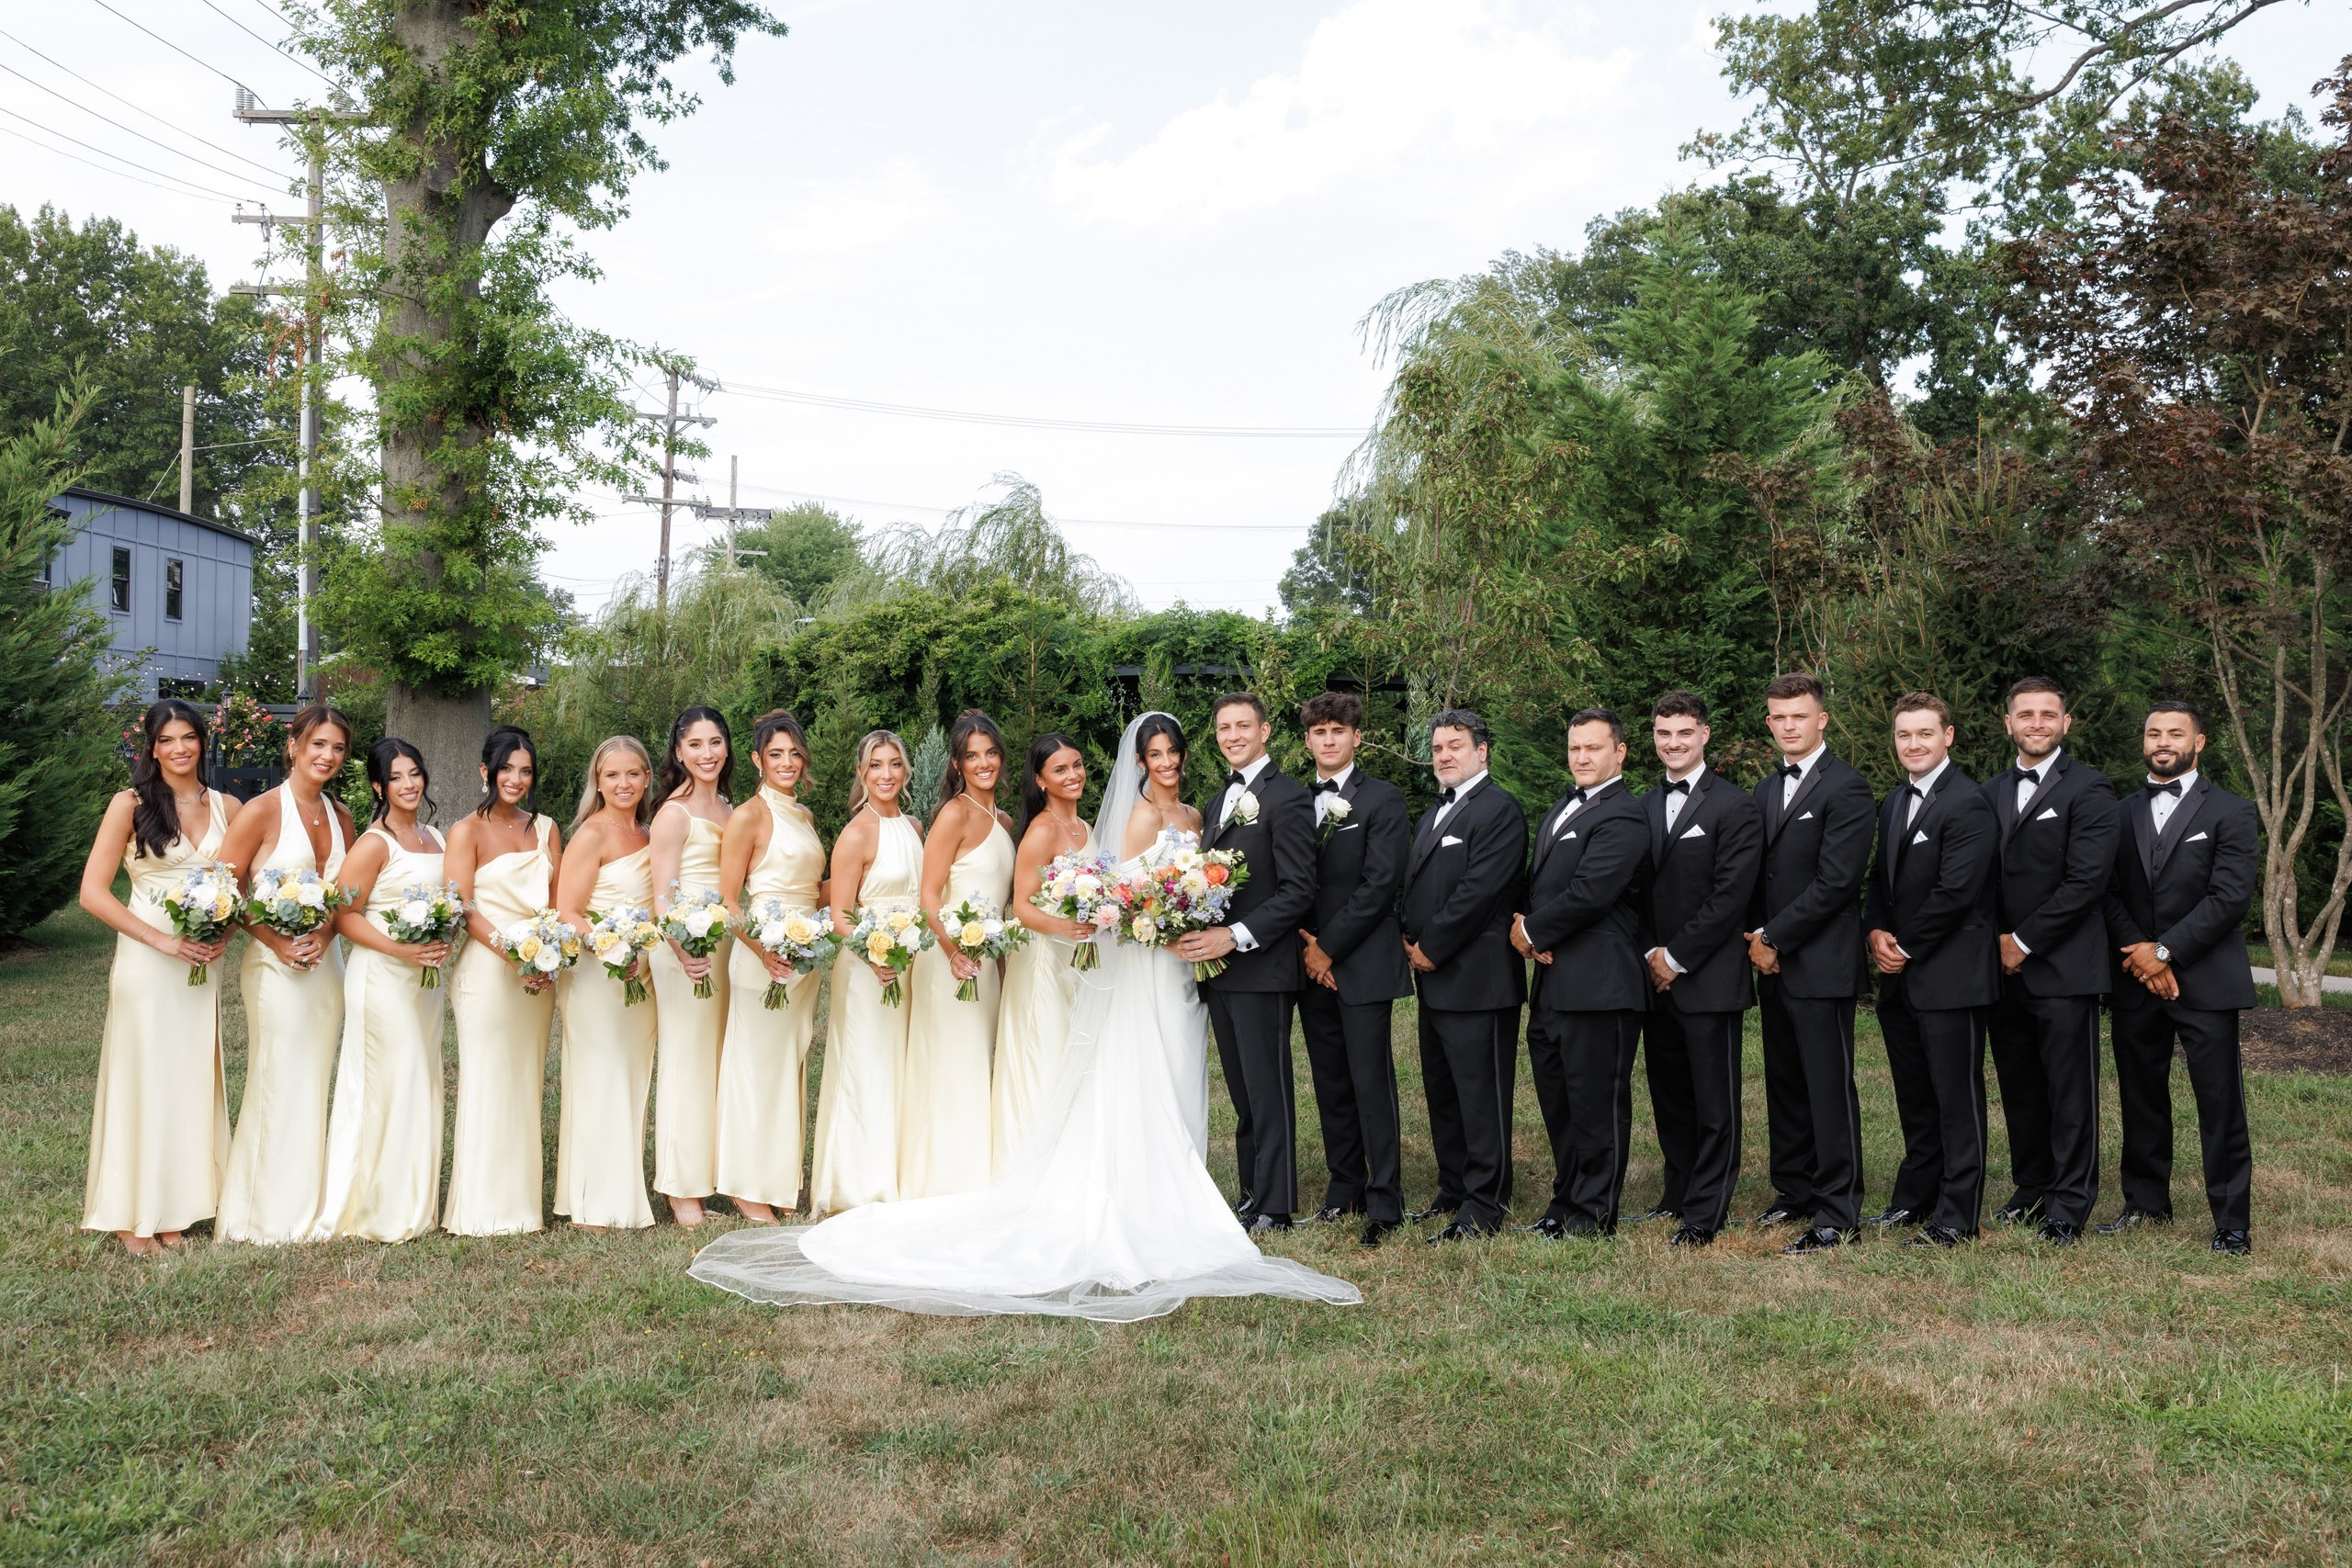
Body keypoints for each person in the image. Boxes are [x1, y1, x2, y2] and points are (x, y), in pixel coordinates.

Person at [686, 712, 1360, 1320]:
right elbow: (986, 899)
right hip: (994, 960)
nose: (1069, 774)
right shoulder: (1006, 823)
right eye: (975, 756)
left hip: (1059, 964)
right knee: (991, 1066)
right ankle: (962, 1178)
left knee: (1056, 1066)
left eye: (1075, 765)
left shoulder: (1051, 823)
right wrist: (975, 945)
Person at [78, 699, 243, 1254]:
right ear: (151, 748)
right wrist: (162, 941)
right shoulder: (129, 804)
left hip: (201, 963)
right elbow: (92, 893)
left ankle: (176, 1208)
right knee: (144, 1077)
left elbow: (240, 886)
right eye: (167, 740)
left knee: (189, 1077)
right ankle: (133, 1216)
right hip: (148, 961)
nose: (179, 749)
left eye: (188, 737)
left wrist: (223, 935)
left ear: (202, 741)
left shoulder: (228, 806)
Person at [2102, 700, 2258, 1254]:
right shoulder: (2118, 813)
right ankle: (2146, 1204)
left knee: (2219, 1102)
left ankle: (2231, 1221)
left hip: (2206, 980)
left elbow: (2230, 897)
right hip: (2135, 979)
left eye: (2175, 733)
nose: (2163, 742)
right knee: (2140, 1097)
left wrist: (2165, 953)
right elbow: (2107, 892)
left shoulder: (2232, 811)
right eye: (2154, 733)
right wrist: (2142, 958)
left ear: (2199, 742)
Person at [1173, 693, 1318, 1232]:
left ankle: (1276, 1205)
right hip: (1222, 974)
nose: (1232, 736)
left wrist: (1233, 937)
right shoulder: (1218, 801)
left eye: (1242, 726)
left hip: (1263, 967)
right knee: (1241, 1090)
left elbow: (1298, 890)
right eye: (1223, 728)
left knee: (1267, 1087)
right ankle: (1252, 1192)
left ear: (1265, 731)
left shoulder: (1289, 797)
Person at [1980, 678, 2117, 1245]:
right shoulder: (1987, 791)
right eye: (2025, 714)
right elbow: (1977, 877)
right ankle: (2031, 1187)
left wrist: (2024, 941)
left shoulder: (2091, 788)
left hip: (2063, 966)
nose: (2036, 723)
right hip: (1999, 968)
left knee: (2069, 1089)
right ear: (2008, 723)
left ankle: (2070, 1201)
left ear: (2066, 723)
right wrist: (1995, 942)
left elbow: (2087, 880)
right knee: (2019, 1084)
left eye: (2047, 714)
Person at [215, 705, 356, 1246]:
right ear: (293, 746)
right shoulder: (261, 811)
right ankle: (262, 1214)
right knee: (277, 1077)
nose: (327, 756)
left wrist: (326, 935)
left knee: (314, 1079)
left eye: (337, 748)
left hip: (326, 968)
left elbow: (348, 895)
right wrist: (276, 942)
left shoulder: (342, 816)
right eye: (318, 744)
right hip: (273, 968)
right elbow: (224, 891)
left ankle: (311, 1202)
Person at [1863, 693, 2000, 1248]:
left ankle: (1958, 1216)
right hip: (1901, 978)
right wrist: (1875, 930)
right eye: (1904, 735)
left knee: (1956, 1099)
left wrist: (1905, 946)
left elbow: (1956, 892)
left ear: (1948, 737)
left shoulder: (1969, 802)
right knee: (1915, 1097)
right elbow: (1881, 879)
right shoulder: (1895, 801)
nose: (1913, 744)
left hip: (1951, 976)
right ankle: (1915, 1198)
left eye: (1925, 733)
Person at [1746, 672, 1875, 1256]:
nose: (1789, 726)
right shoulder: (1765, 789)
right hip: (1772, 963)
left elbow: (1837, 881)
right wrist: (1757, 938)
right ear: (1769, 722)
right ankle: (1794, 1189)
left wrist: (1774, 936)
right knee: (1786, 1083)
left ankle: (1839, 1210)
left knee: (1828, 1088)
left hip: (1820, 964)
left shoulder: (1847, 788)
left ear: (1822, 719)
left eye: (1799, 716)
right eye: (1779, 717)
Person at [1514, 708, 1652, 1239]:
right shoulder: (1562, 808)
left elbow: (1591, 893)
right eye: (1575, 748)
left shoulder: (1624, 816)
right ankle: (1564, 1202)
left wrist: (1531, 933)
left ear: (1620, 752)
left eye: (1594, 748)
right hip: (1553, 984)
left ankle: (1594, 1215)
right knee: (1560, 1102)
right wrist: (1527, 926)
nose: (1582, 757)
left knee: (1597, 1104)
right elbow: (1543, 887)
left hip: (1601, 985)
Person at [1632, 692, 1763, 1247]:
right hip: (1652, 976)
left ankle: (1707, 1210)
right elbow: (1632, 890)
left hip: (1708, 976)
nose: (1674, 743)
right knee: (1669, 1094)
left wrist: (1677, 957)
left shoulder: (1734, 806)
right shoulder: (1640, 806)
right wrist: (1650, 954)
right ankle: (1677, 1192)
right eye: (1664, 733)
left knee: (1714, 1100)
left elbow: (1731, 896)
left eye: (1684, 732)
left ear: (1705, 735)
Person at [311, 739, 452, 1242]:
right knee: (388, 1082)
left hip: (424, 982)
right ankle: (371, 1207)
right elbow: (343, 915)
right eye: (396, 777)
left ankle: (412, 1202)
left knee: (419, 1081)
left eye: (414, 773)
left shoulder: (436, 836)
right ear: (378, 786)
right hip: (382, 978)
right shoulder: (374, 843)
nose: (408, 784)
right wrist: (401, 950)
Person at [1398, 708, 1526, 1241]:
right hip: (1436, 982)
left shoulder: (1499, 809)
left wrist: (1430, 946)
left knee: (1481, 1096)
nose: (1444, 755)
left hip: (1479, 979)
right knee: (1444, 1091)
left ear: (1482, 750)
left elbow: (1480, 891)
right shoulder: (1437, 810)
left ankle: (1485, 1203)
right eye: (1437, 748)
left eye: (1455, 746)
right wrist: (1407, 938)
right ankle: (1452, 1189)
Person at [1294, 692, 1413, 1248]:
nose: (1329, 740)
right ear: (1307, 741)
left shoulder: (1383, 799)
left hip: (1359, 960)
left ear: (1356, 737)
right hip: (1309, 962)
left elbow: (1380, 884)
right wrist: (1309, 949)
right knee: (1331, 1080)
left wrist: (1330, 948)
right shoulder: (1295, 801)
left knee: (1370, 1081)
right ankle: (1345, 1187)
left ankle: (1385, 1199)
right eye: (1319, 732)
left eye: (1338, 730)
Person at [443, 727, 562, 1236]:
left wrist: (547, 957)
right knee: (487, 1081)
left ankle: (522, 1205)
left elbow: (556, 903)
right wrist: (515, 956)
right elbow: (464, 908)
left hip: (538, 972)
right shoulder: (465, 831)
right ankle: (479, 1208)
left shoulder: (547, 829)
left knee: (525, 1080)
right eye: (507, 768)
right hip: (488, 973)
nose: (516, 779)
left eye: (526, 770)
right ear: (485, 771)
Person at [714, 711, 828, 1224]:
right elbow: (728, 901)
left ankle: (778, 1181)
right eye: (775, 754)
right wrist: (763, 949)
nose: (786, 762)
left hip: (804, 957)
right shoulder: (749, 816)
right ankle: (746, 1186)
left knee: (787, 1068)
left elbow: (813, 889)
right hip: (762, 958)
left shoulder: (804, 816)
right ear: (757, 760)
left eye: (794, 753)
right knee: (756, 1069)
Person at [901, 710, 1017, 1199]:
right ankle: (946, 1180)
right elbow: (928, 897)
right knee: (954, 1062)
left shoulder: (1005, 821)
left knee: (977, 1064)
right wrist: (952, 952)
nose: (983, 763)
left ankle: (977, 1172)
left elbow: (1003, 903)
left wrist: (1003, 967)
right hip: (949, 960)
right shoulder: (954, 815)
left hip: (987, 961)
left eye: (990, 753)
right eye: (972, 756)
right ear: (957, 764)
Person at [808, 730, 923, 1214]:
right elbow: (840, 914)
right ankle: (857, 1184)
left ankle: (897, 1173)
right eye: (876, 765)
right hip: (867, 969)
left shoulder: (914, 826)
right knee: (867, 1067)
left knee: (898, 1068)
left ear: (906, 770)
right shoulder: (856, 833)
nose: (886, 774)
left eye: (895, 764)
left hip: (909, 964)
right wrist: (875, 954)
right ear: (861, 773)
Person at [553, 736, 659, 1231]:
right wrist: (613, 947)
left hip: (641, 975)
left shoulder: (649, 834)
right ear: (598, 781)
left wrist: (643, 949)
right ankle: (593, 1202)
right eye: (612, 775)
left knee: (631, 1078)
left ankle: (620, 1190)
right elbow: (568, 911)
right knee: (600, 1077)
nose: (624, 783)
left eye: (633, 773)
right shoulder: (591, 835)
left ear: (647, 778)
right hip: (598, 974)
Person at [647, 707, 735, 1227]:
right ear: (678, 752)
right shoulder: (673, 814)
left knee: (713, 1063)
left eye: (715, 742)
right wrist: (683, 948)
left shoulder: (728, 807)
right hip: (686, 950)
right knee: (686, 1061)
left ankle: (706, 1179)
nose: (707, 753)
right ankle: (681, 1192)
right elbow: (662, 897)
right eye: (695, 744)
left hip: (725, 949)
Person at [996, 732, 1091, 1175]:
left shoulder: (1084, 827)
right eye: (1060, 769)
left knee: (1073, 1052)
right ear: (1041, 780)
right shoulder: (1042, 831)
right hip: (1042, 960)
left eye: (1077, 765)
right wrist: (1067, 927)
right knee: (1045, 1051)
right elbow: (1021, 906)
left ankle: (1071, 1155)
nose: (1073, 775)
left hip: (1076, 960)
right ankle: (1031, 1164)